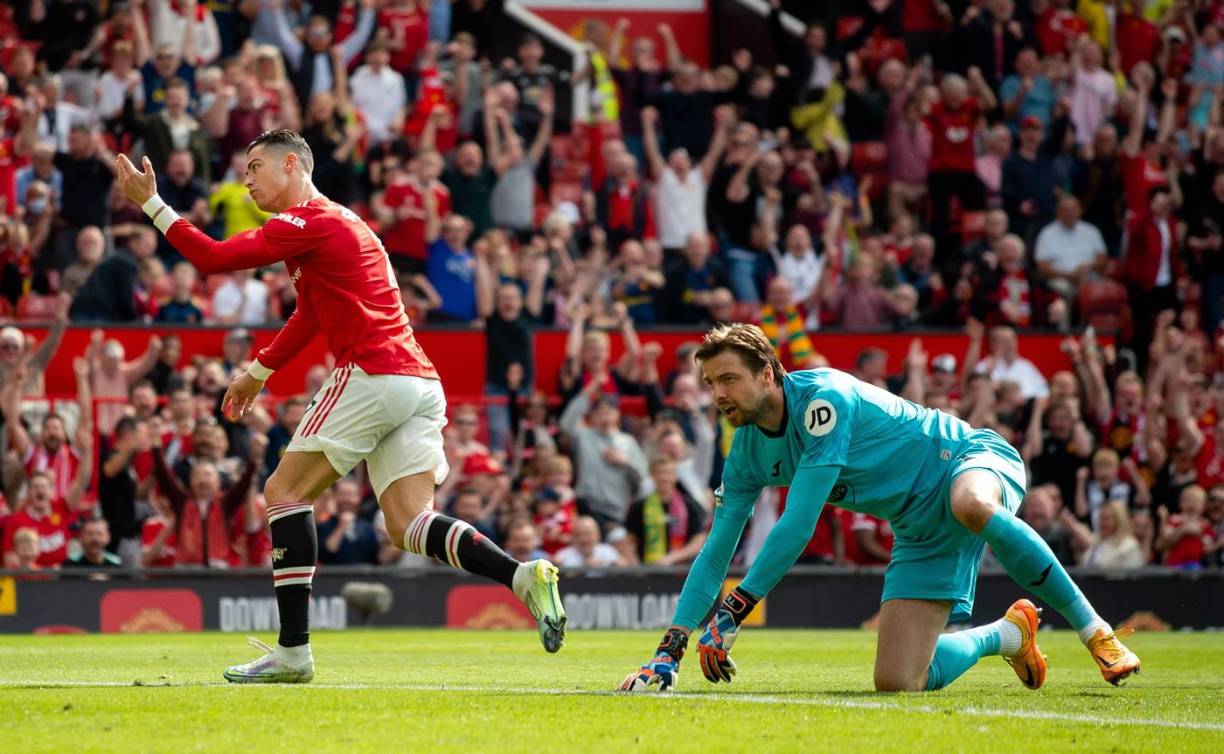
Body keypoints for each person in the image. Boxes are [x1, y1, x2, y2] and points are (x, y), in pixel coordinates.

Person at [113, 129, 565, 683]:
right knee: (408, 524)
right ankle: (522, 577)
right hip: (419, 382)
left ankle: (293, 654)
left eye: (255, 167)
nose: (247, 179)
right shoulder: (341, 224)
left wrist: (151, 204)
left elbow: (211, 258)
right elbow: (309, 313)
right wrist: (258, 372)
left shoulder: (305, 221)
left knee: (283, 493)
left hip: (372, 373)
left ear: (290, 165)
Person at [620, 323, 1140, 695]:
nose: (717, 394)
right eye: (710, 384)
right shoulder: (746, 455)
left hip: (964, 458)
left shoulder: (823, 399)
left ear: (767, 375)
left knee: (971, 504)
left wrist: (734, 611)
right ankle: (1007, 635)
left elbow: (799, 523)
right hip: (916, 527)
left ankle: (1097, 631)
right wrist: (670, 652)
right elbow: (715, 554)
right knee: (898, 681)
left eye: (728, 379)